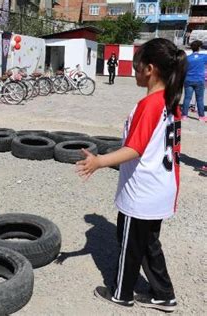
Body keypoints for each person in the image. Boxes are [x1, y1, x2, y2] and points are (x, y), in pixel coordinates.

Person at [76, 38, 186, 312]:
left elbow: (134, 149)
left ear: (150, 69)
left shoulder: (150, 104)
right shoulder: (171, 100)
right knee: (148, 243)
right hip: (161, 186)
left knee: (129, 244)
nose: (135, 72)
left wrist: (99, 161)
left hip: (142, 191)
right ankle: (164, 294)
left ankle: (122, 293)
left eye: (137, 67)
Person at [181, 40, 207, 122]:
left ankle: (184, 115)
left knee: (187, 98)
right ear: (199, 48)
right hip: (199, 80)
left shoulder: (187, 58)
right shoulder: (204, 57)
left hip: (188, 79)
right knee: (199, 99)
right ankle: (201, 116)